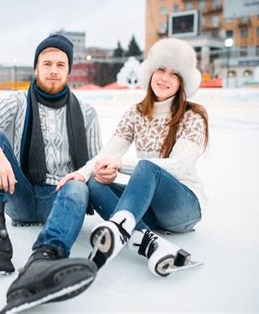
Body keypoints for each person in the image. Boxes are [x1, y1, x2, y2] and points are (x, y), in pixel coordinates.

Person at [0, 34, 102, 312]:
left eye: (61, 64)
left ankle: (45, 259)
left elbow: (94, 163)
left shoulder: (88, 112)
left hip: (58, 200)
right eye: (46, 63)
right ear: (35, 68)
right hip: (19, 193)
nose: (53, 70)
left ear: (69, 70)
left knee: (79, 185)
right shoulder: (18, 102)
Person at [57, 38, 209, 277]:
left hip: (184, 206)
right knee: (96, 182)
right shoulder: (135, 114)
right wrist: (81, 173)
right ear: (150, 72)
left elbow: (178, 167)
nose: (164, 78)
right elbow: (107, 154)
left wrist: (121, 165)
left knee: (147, 168)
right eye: (160, 69)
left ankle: (119, 229)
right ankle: (151, 244)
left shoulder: (193, 116)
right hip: (150, 208)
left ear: (182, 82)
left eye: (174, 74)